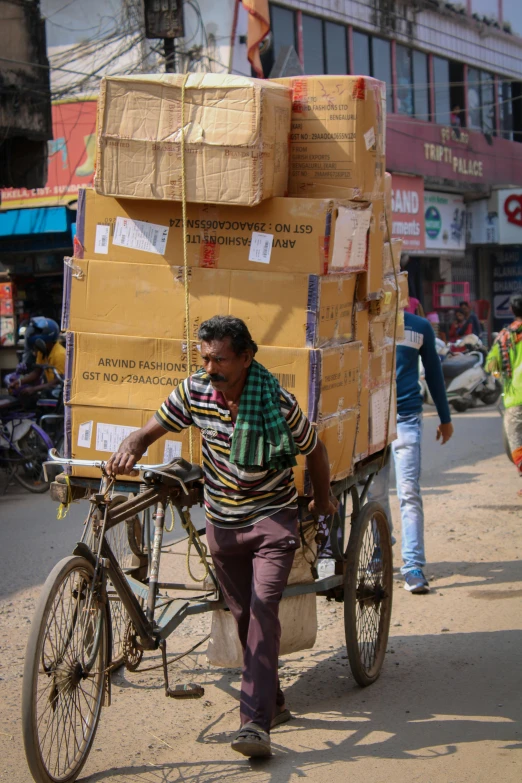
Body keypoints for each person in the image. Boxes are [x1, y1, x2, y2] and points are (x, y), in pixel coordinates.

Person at [106, 315, 337, 758]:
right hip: (223, 521)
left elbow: (317, 450)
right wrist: (135, 443)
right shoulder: (195, 391)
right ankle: (272, 698)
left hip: (272, 517)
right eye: (205, 357)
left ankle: (254, 724)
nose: (211, 368)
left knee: (265, 607)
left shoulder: (278, 403)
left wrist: (321, 500)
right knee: (245, 615)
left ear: (247, 358)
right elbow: (153, 428)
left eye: (221, 359)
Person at [369, 311, 454, 594]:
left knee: (408, 492)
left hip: (406, 419)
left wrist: (445, 417)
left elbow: (433, 372)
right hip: (373, 421)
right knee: (375, 493)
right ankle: (381, 548)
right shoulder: (368, 320)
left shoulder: (419, 327)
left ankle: (413, 565)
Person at [486, 293, 522, 495]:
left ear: (512, 310)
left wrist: (500, 373)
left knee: (517, 441)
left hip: (515, 398)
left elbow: (492, 364)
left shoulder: (505, 336)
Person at [8, 317, 65, 399]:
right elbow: (37, 372)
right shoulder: (42, 352)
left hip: (60, 394)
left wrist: (34, 389)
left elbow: (58, 381)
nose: (35, 349)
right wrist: (20, 382)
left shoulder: (60, 354)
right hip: (51, 390)